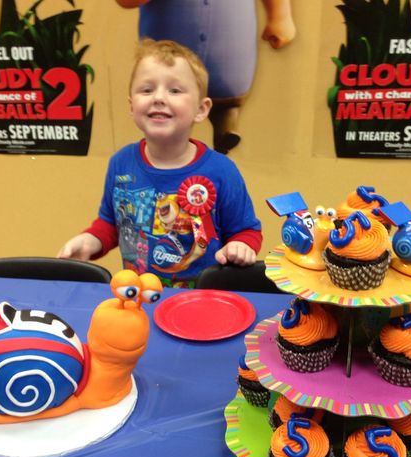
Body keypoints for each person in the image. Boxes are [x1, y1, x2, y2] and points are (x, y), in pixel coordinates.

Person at [58, 39, 262, 287]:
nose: (158, 98)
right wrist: (89, 241)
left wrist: (241, 246)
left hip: (204, 302)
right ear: (132, 106)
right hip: (140, 298)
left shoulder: (222, 170)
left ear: (201, 109)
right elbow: (112, 223)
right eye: (146, 90)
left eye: (175, 90)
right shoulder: (120, 163)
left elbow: (247, 230)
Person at [115, 0, 296, 154]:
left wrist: (280, 17)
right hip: (169, 42)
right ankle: (167, 141)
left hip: (231, 46)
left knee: (227, 89)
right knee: (167, 92)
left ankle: (226, 124)